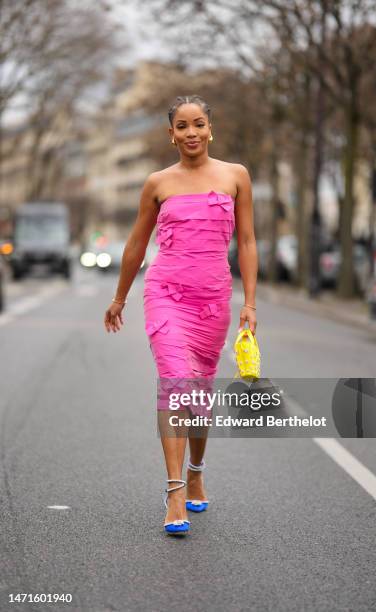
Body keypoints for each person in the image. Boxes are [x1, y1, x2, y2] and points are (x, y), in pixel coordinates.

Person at [104, 95, 257, 536]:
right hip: (165, 293)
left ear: (210, 129)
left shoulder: (235, 176)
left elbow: (246, 242)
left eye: (199, 124)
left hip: (212, 300)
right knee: (175, 384)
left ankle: (196, 469)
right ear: (171, 135)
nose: (191, 132)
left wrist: (249, 303)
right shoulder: (157, 183)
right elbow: (136, 244)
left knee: (198, 396)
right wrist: (120, 297)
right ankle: (174, 492)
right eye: (182, 126)